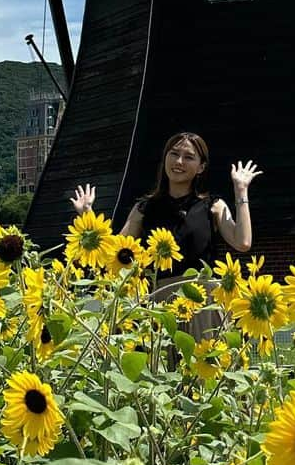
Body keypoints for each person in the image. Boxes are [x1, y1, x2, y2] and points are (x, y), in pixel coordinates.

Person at [70, 132, 261, 334]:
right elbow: (114, 250)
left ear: (201, 167)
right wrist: (87, 214)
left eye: (189, 157)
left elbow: (243, 242)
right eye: (174, 154)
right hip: (159, 302)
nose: (179, 161)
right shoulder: (145, 208)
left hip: (202, 302)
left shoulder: (212, 206)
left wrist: (241, 190)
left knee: (202, 359)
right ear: (165, 158)